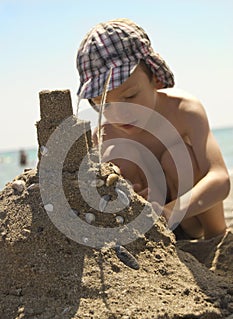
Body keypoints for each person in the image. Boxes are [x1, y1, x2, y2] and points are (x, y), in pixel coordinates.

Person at [76, 18, 230, 240]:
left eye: (130, 96)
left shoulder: (184, 110)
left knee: (177, 157)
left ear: (156, 79)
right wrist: (128, 197)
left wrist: (167, 213)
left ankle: (216, 239)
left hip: (194, 218)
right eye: (106, 105)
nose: (120, 113)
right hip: (150, 229)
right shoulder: (104, 134)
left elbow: (220, 179)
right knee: (119, 160)